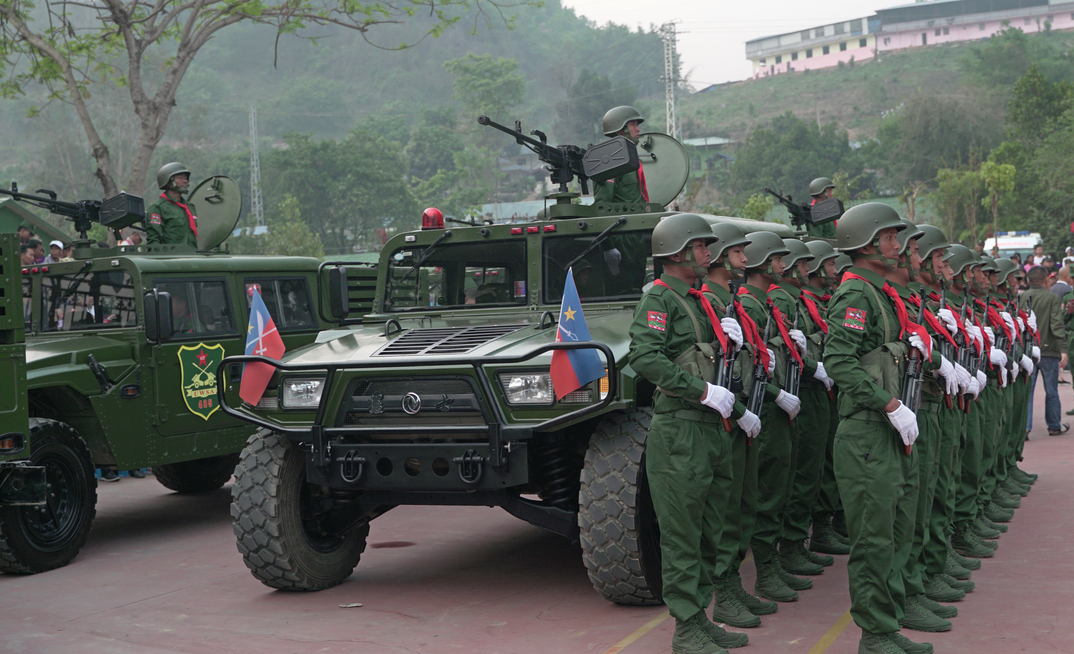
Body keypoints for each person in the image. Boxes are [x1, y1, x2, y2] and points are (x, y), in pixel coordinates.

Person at [628, 212, 749, 654]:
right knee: (682, 536)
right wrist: (700, 391)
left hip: (711, 431)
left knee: (708, 533)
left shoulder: (700, 300)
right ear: (677, 251)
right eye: (700, 246)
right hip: (681, 431)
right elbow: (645, 355)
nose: (707, 253)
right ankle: (686, 628)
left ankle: (700, 615)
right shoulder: (659, 299)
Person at [824, 202, 932, 654]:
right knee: (871, 539)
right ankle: (873, 636)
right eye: (889, 237)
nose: (897, 244)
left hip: (885, 429)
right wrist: (888, 402)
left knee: (891, 533)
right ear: (866, 244)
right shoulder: (856, 294)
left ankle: (885, 627)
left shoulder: (879, 292)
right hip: (867, 430)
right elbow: (837, 361)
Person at [1022, 266, 1069, 435]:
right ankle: (1054, 425)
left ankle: (1025, 428)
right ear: (1046, 280)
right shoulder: (1052, 298)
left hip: (1027, 351)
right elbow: (1056, 324)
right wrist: (1063, 349)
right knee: (1051, 391)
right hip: (1049, 350)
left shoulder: (1022, 297)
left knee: (1028, 392)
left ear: (1028, 281)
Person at [593, 106, 649, 205]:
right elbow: (603, 206)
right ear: (619, 130)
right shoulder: (609, 161)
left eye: (637, 125)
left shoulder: (631, 158)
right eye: (633, 125)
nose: (638, 129)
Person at [146, 162, 199, 248]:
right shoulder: (158, 208)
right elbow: (153, 242)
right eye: (180, 178)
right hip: (171, 259)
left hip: (192, 257)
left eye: (185, 178)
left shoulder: (190, 207)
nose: (185, 181)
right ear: (168, 181)